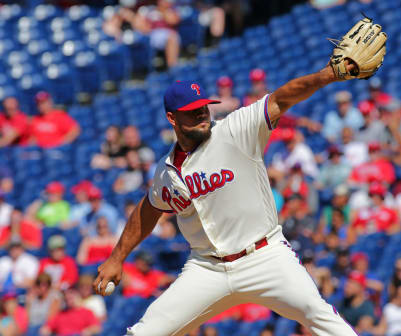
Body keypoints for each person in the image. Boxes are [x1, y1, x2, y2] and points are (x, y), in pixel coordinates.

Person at [95, 58, 366, 335]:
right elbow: (150, 208)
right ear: (172, 118)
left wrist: (328, 75)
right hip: (207, 268)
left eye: (203, 107)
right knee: (144, 332)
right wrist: (118, 257)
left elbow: (281, 98)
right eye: (191, 111)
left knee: (318, 315)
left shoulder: (235, 130)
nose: (201, 114)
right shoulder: (166, 171)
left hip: (265, 256)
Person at [133, 0, 181, 68]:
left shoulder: (171, 9)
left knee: (172, 37)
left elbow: (173, 21)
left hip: (167, 34)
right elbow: (137, 25)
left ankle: (173, 68)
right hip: (151, 34)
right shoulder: (147, 9)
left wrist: (163, 11)